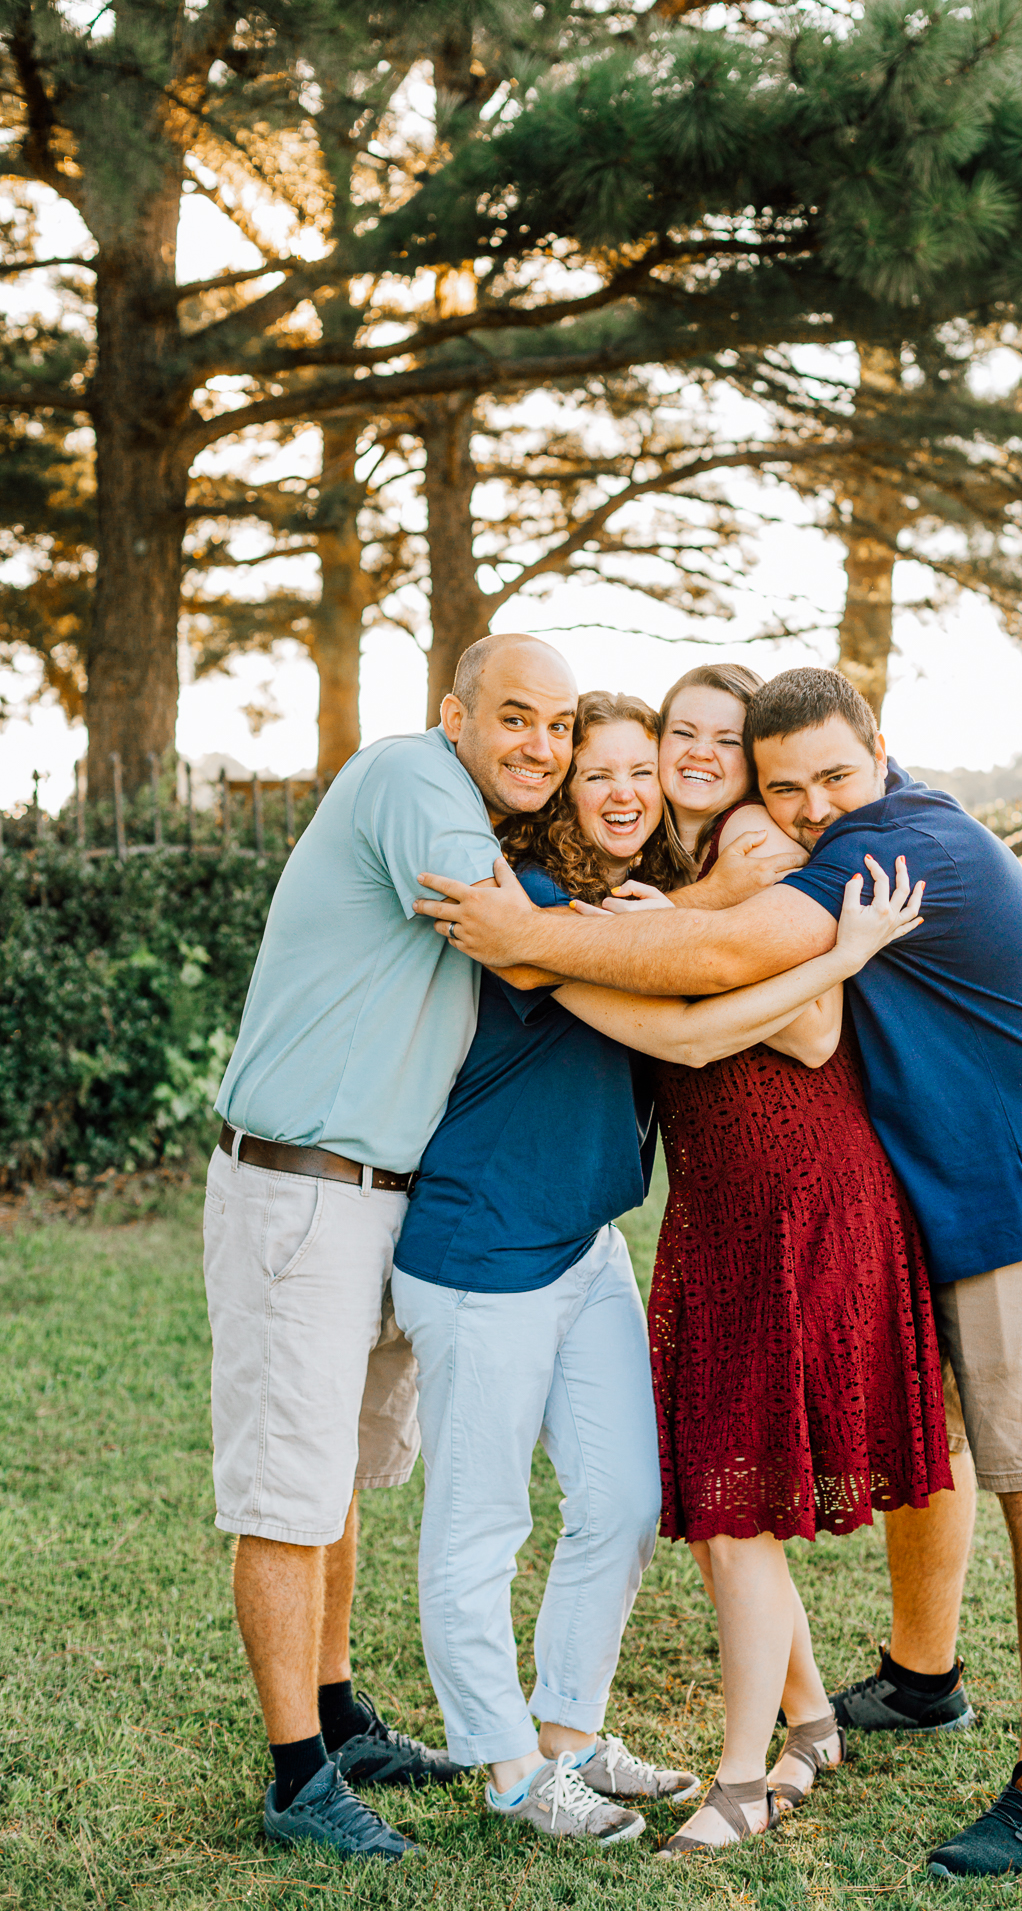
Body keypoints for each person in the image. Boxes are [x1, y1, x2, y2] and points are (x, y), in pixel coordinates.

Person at [417, 665, 1022, 1885]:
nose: (808, 806)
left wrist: (535, 938)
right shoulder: (794, 840)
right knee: (945, 1456)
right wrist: (621, 921)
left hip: (1020, 1201)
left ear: (881, 752)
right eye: (786, 781)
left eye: (827, 778)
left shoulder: (885, 845)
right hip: (930, 1194)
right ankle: (919, 1676)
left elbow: (749, 970)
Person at [395, 691, 924, 1852]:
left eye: (669, 756)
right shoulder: (532, 904)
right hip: (485, 1242)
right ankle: (509, 1764)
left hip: (589, 1242)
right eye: (603, 773)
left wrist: (713, 907)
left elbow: (790, 1022)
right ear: (565, 790)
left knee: (632, 1500)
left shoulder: (675, 886)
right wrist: (825, 944)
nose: (635, 786)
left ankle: (574, 1732)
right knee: (484, 1523)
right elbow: (686, 1033)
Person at [206, 633, 578, 1864]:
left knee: (348, 1473)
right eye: (516, 716)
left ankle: (335, 1707)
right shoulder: (415, 777)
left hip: (386, 1194)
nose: (541, 745)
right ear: (455, 713)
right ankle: (295, 1775)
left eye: (562, 726)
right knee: (287, 1485)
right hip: (304, 1186)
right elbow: (515, 935)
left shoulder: (464, 800)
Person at [598, 665, 956, 1859]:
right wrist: (661, 918)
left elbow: (809, 1027)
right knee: (718, 1491)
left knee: (733, 1508)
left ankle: (744, 1774)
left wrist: (662, 932)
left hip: (804, 1191)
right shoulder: (672, 876)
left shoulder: (758, 843)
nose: (697, 752)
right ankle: (808, 1720)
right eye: (677, 731)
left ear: (753, 760)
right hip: (720, 1208)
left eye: (718, 735)